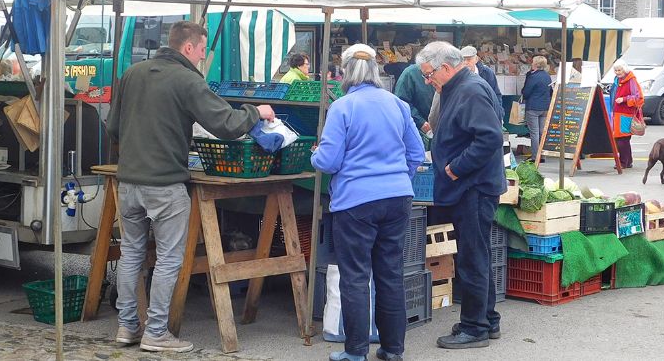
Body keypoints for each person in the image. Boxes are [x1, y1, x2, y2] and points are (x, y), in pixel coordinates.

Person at [107, 21, 275, 353]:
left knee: (131, 255)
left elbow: (113, 127)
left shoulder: (132, 74)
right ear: (188, 48)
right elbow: (226, 125)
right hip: (166, 184)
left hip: (128, 181)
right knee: (169, 259)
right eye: (201, 50)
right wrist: (257, 112)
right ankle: (155, 333)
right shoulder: (188, 80)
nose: (202, 56)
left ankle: (127, 328)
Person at [311, 44, 425, 361]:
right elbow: (416, 153)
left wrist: (314, 154)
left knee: (355, 277)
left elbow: (328, 161)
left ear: (346, 71)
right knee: (390, 275)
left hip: (356, 202)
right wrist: (397, 178)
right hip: (397, 198)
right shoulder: (397, 105)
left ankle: (356, 352)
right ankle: (393, 350)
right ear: (376, 70)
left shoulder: (343, 107)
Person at [416, 41, 506, 350]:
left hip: (473, 187)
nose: (428, 81)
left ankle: (475, 327)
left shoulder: (469, 89)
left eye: (429, 75)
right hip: (470, 187)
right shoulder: (460, 87)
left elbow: (491, 137)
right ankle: (486, 319)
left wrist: (456, 167)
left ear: (445, 67)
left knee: (472, 257)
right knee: (475, 254)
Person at [608, 59, 644, 169]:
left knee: (622, 139)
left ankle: (624, 162)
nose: (618, 72)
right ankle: (628, 161)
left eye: (619, 70)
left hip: (625, 114)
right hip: (618, 113)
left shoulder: (631, 80)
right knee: (623, 139)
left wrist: (623, 99)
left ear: (624, 69)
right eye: (616, 70)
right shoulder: (617, 80)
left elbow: (639, 98)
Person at [521, 55, 553, 161]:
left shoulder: (533, 77)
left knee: (534, 133)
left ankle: (535, 157)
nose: (531, 63)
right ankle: (542, 155)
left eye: (533, 62)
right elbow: (550, 91)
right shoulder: (547, 76)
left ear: (536, 64)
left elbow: (526, 92)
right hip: (545, 107)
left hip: (533, 107)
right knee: (541, 132)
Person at [461, 45, 503, 120]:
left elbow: (496, 94)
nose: (466, 62)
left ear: (476, 59)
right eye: (463, 60)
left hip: (487, 115)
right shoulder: (458, 75)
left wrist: (499, 115)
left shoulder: (487, 73)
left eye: (469, 59)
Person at [394, 62, 435, 134]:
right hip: (417, 129)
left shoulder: (445, 70)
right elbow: (401, 102)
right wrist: (421, 123)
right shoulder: (411, 73)